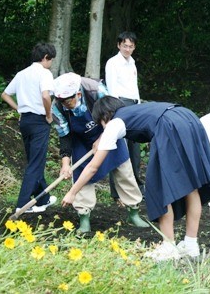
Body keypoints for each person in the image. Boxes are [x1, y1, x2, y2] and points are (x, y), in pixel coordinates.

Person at [60, 97, 210, 261]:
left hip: (169, 126)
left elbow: (92, 167)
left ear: (105, 117)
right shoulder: (137, 110)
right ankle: (190, 245)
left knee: (160, 186)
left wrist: (73, 192)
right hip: (188, 118)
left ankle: (168, 247)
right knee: (191, 185)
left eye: (100, 123)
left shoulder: (114, 123)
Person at [51, 72, 149, 232]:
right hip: (81, 141)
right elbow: (65, 135)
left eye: (68, 101)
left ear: (77, 93)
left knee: (125, 172)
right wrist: (65, 163)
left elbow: (116, 114)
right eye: (62, 101)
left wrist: (103, 136)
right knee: (82, 176)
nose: (65, 105)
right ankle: (84, 218)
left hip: (108, 130)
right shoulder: (57, 107)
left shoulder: (95, 90)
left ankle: (133, 212)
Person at [1, 42, 58, 213]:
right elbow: (46, 96)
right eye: (51, 60)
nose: (51, 63)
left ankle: (43, 199)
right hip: (39, 121)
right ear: (45, 58)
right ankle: (22, 204)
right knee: (35, 163)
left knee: (34, 160)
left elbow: (5, 94)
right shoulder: (45, 73)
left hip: (25, 121)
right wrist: (49, 115)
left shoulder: (21, 74)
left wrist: (18, 108)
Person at [105, 31, 144, 192]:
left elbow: (134, 87)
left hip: (134, 105)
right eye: (125, 46)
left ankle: (136, 185)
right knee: (120, 146)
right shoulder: (113, 63)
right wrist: (115, 110)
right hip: (121, 104)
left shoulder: (132, 63)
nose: (128, 49)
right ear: (119, 45)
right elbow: (112, 88)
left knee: (134, 147)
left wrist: (139, 104)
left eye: (131, 46)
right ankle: (117, 190)